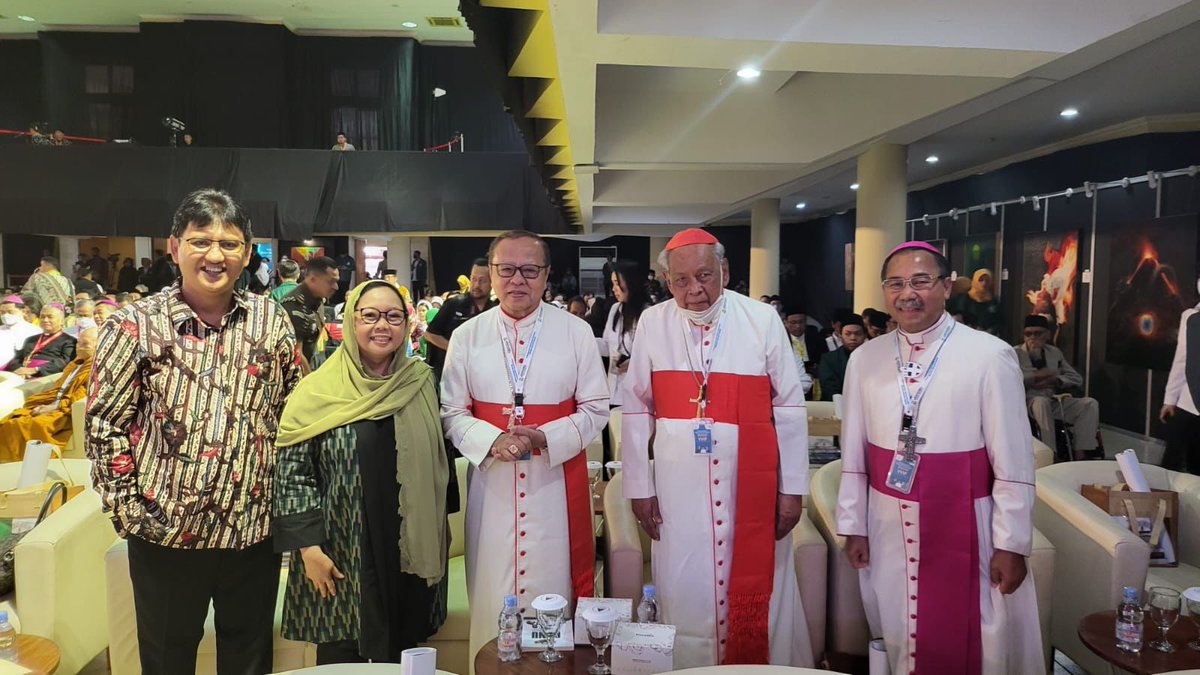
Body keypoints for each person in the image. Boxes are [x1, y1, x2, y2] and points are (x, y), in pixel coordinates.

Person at [85, 188, 302, 675]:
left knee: (249, 661)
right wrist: (132, 514)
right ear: (174, 246)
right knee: (167, 661)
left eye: (229, 243)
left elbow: (293, 410)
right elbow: (104, 424)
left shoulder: (270, 320)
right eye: (201, 241)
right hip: (165, 535)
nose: (215, 255)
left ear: (247, 252)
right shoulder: (134, 325)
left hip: (252, 532)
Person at [836, 241, 1042, 674]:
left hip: (967, 521)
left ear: (947, 287)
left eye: (921, 281)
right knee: (899, 626)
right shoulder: (865, 358)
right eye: (895, 283)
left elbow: (1013, 461)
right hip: (887, 522)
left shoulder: (990, 355)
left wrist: (1011, 543)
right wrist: (854, 525)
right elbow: (853, 452)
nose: (907, 293)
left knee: (977, 637)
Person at [621, 228, 812, 668]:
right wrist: (639, 487)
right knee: (683, 585)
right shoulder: (652, 323)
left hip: (752, 485)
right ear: (667, 282)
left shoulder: (761, 319)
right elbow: (635, 409)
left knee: (761, 586)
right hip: (677, 488)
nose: (695, 290)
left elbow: (789, 407)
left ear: (724, 270)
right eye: (681, 280)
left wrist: (792, 489)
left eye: (705, 275)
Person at [440, 230, 608, 665]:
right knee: (492, 599)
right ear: (491, 272)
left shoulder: (576, 332)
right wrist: (492, 440)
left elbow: (596, 408)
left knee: (552, 599)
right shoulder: (467, 335)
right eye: (507, 269)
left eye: (530, 270)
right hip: (492, 493)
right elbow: (451, 411)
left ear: (547, 275)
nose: (518, 280)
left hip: (554, 489)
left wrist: (545, 437)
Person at [273, 280, 451, 664]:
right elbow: (293, 473)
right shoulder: (317, 389)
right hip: (340, 547)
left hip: (408, 548)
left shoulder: (421, 382)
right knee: (341, 654)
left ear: (407, 325)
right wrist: (308, 548)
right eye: (369, 316)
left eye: (393, 316)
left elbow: (441, 461)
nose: (381, 326)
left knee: (407, 651)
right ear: (351, 322)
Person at [0, 327, 96, 461]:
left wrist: (54, 407)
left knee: (25, 425)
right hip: (54, 403)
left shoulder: (97, 367)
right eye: (78, 343)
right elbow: (60, 388)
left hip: (66, 412)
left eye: (85, 344)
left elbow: (83, 394)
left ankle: (27, 465)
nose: (79, 347)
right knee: (11, 420)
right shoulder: (75, 364)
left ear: (98, 345)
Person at [1015, 314, 1099, 460]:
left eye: (1037, 333)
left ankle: (1081, 453)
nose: (1032, 338)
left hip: (1053, 400)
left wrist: (1057, 380)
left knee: (1090, 404)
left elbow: (1076, 378)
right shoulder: (1015, 353)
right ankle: (1050, 454)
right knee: (1041, 402)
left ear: (1047, 335)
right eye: (1028, 334)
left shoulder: (1054, 353)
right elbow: (1010, 380)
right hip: (1028, 402)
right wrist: (1036, 377)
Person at [423, 258, 495, 380]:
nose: (476, 285)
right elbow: (430, 334)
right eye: (473, 279)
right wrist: (456, 350)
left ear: (492, 282)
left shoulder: (494, 310)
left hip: (480, 375)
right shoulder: (454, 304)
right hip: (450, 374)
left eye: (482, 281)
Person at [1161, 276, 1200, 474]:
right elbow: (1182, 359)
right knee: (1174, 463)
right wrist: (1170, 399)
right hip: (1188, 401)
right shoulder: (1190, 317)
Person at [281, 256, 340, 371]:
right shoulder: (294, 305)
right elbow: (297, 355)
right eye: (331, 282)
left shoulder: (317, 299)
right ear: (312, 279)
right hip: (299, 374)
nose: (335, 287)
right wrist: (311, 380)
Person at [4, 303, 75, 379]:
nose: (45, 320)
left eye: (50, 317)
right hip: (23, 376)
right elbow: (17, 359)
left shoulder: (69, 341)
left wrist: (36, 370)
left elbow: (64, 362)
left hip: (47, 378)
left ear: (61, 321)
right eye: (42, 317)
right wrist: (19, 370)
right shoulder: (31, 339)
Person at [818, 314, 866, 401]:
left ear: (865, 335)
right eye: (848, 334)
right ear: (840, 335)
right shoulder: (829, 359)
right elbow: (830, 389)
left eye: (858, 334)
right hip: (839, 404)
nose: (853, 338)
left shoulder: (873, 358)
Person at [0, 295, 42, 369]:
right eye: (2, 312)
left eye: (10, 312)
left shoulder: (35, 331)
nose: (6, 315)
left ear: (23, 311)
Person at [964, 268, 1001, 335]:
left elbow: (1000, 321)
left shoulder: (993, 301)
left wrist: (990, 331)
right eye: (981, 280)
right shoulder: (965, 298)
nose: (984, 283)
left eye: (987, 280)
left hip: (989, 337)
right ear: (975, 280)